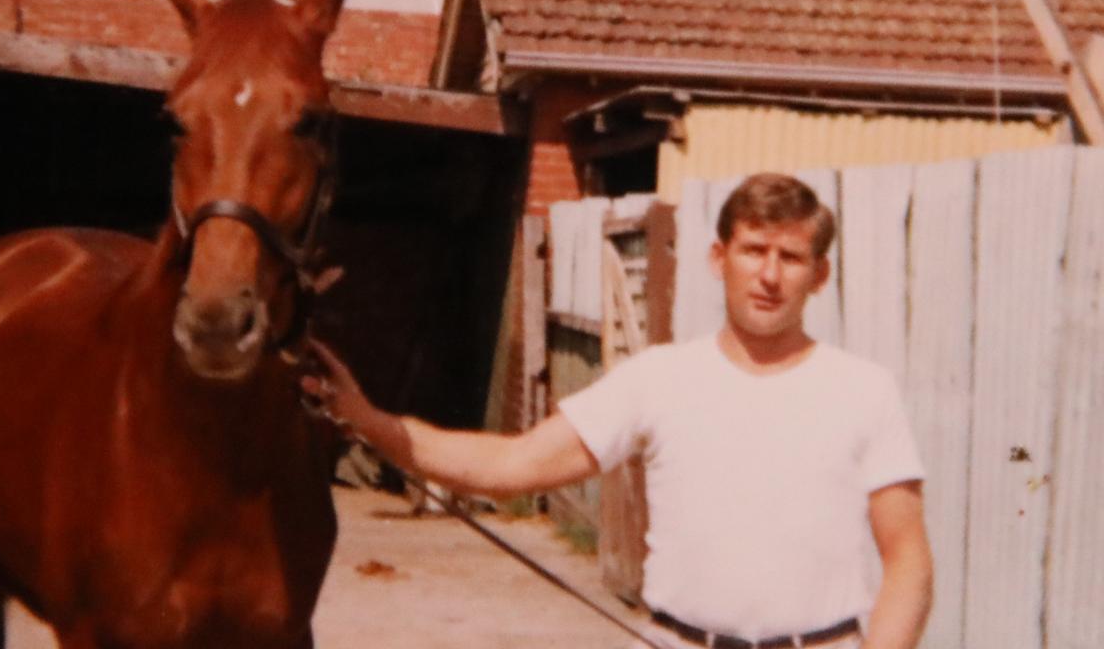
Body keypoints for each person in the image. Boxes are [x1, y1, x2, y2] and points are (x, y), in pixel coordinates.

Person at [303, 173, 932, 649]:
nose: (768, 274)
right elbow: (512, 463)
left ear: (818, 275)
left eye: (790, 258)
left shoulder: (863, 390)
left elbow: (908, 560)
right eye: (753, 250)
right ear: (719, 259)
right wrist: (366, 418)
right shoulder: (659, 379)